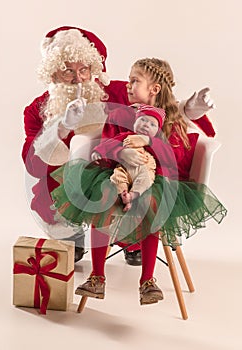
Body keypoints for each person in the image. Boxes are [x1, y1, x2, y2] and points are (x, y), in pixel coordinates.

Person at [22, 25, 216, 265]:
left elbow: (158, 109)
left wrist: (189, 108)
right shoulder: (36, 111)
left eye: (84, 69)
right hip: (76, 173)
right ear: (52, 74)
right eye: (67, 71)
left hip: (119, 167)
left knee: (133, 181)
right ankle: (72, 235)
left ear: (94, 69)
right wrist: (61, 127)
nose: (78, 78)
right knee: (53, 183)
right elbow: (32, 162)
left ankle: (131, 240)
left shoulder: (117, 91)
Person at [50, 57, 227, 304]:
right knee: (104, 197)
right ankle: (96, 276)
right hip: (117, 174)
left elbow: (174, 158)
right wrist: (119, 151)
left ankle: (147, 280)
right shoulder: (122, 114)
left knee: (151, 205)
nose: (128, 86)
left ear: (154, 89)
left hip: (157, 180)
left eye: (135, 81)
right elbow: (105, 143)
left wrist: (150, 142)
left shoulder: (171, 120)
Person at [91, 104, 167, 212]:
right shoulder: (126, 135)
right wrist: (98, 152)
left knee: (146, 181)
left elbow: (165, 156)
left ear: (157, 132)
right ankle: (124, 198)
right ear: (135, 122)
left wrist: (149, 141)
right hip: (124, 168)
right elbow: (109, 144)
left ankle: (132, 196)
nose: (146, 125)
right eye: (143, 120)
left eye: (152, 125)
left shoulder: (154, 143)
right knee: (117, 178)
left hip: (144, 170)